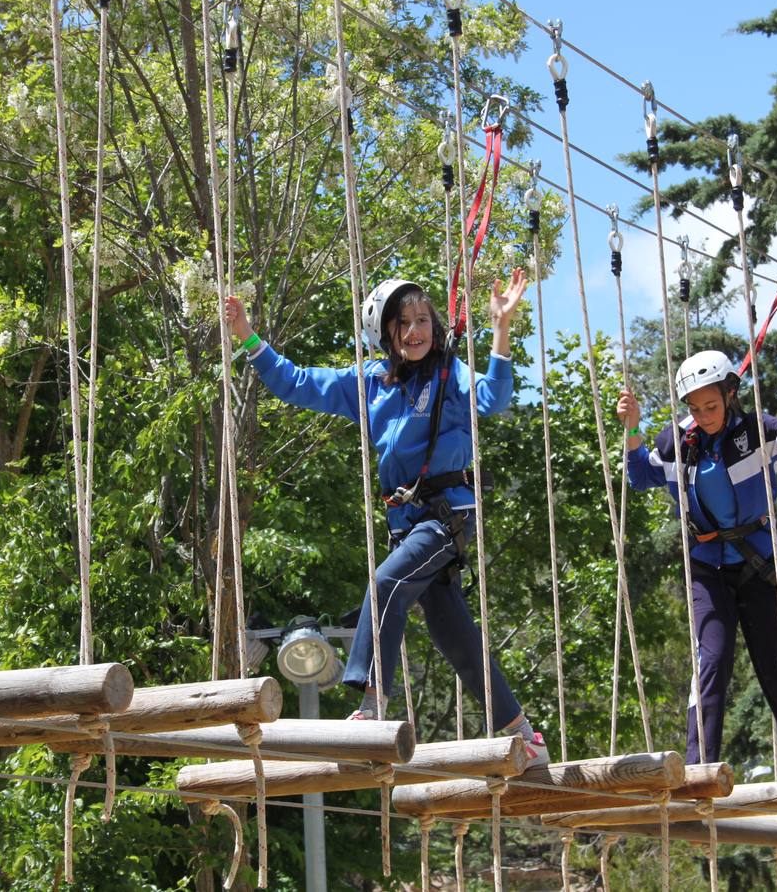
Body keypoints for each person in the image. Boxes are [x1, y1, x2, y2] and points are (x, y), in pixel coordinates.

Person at [223, 269, 548, 766]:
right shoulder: (370, 383)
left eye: (423, 320)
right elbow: (298, 383)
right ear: (384, 333)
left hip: (446, 518)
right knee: (455, 639)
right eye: (403, 323)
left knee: (385, 583)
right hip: (410, 525)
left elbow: (494, 398)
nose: (416, 331)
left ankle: (373, 704)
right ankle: (524, 732)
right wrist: (247, 334)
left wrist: (501, 332)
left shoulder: (450, 374)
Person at [616, 346, 777, 793]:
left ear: (730, 394)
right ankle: (696, 773)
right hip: (708, 570)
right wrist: (634, 430)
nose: (704, 415)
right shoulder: (675, 441)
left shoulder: (759, 430)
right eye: (695, 408)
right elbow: (640, 476)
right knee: (711, 664)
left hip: (760, 569)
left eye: (712, 406)